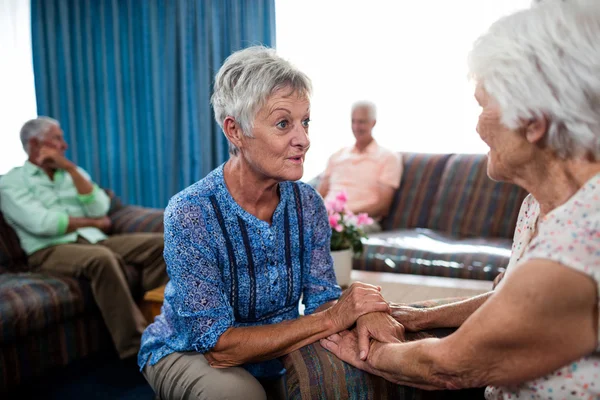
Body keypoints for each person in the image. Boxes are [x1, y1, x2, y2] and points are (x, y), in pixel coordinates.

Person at [320, 0, 600, 398]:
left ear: (534, 122)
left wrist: (367, 353)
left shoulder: (581, 243)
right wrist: (418, 315)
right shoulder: (535, 206)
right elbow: (509, 300)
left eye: (484, 105)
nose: (478, 125)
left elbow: (449, 365)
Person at [138, 46, 395, 400]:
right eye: (283, 123)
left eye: (305, 122)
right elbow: (220, 346)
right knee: (239, 395)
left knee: (352, 371)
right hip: (190, 350)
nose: (303, 139)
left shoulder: (307, 203)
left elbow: (322, 297)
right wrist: (332, 320)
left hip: (275, 348)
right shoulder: (190, 212)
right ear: (235, 131)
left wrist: (361, 312)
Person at [0, 117, 169, 360]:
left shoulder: (71, 172)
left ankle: (158, 321)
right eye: (57, 138)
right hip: (49, 249)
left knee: (161, 244)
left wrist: (70, 169)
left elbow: (100, 206)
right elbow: (43, 224)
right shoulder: (12, 182)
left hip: (93, 239)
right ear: (36, 144)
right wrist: (95, 223)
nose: (64, 145)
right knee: (102, 259)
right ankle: (136, 348)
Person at [317, 101, 402, 231]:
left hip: (359, 222)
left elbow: (383, 207)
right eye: (353, 121)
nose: (356, 127)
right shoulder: (337, 156)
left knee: (325, 233)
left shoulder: (388, 157)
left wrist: (343, 215)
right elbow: (319, 194)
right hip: (326, 218)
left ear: (373, 123)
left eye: (362, 122)